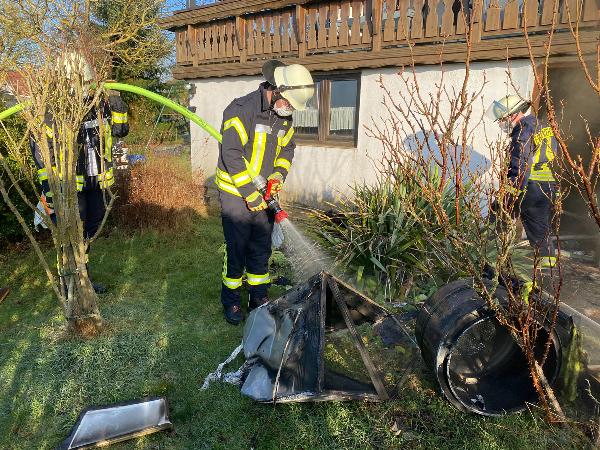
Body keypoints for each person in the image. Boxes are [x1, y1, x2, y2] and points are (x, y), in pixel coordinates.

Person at [216, 60, 314, 324]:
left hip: (265, 194)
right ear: (278, 90)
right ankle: (231, 300)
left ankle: (258, 297)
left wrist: (278, 174)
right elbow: (231, 155)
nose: (290, 109)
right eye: (289, 103)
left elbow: (287, 149)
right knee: (237, 248)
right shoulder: (240, 110)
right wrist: (249, 193)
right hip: (236, 194)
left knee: (261, 248)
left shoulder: (283, 117)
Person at [31, 52, 129, 293]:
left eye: (87, 82)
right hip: (69, 187)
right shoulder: (51, 111)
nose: (84, 87)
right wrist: (51, 192)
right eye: (81, 82)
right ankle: (69, 284)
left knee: (89, 232)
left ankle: (84, 280)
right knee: (71, 236)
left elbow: (120, 131)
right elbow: (43, 157)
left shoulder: (98, 105)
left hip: (96, 183)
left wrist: (118, 108)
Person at [487, 94, 558, 269]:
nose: (501, 124)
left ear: (513, 114)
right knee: (539, 227)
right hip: (546, 185)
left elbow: (521, 164)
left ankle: (488, 263)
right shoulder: (541, 125)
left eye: (502, 119)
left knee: (496, 219)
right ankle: (547, 270)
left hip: (528, 185)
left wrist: (511, 191)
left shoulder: (523, 130)